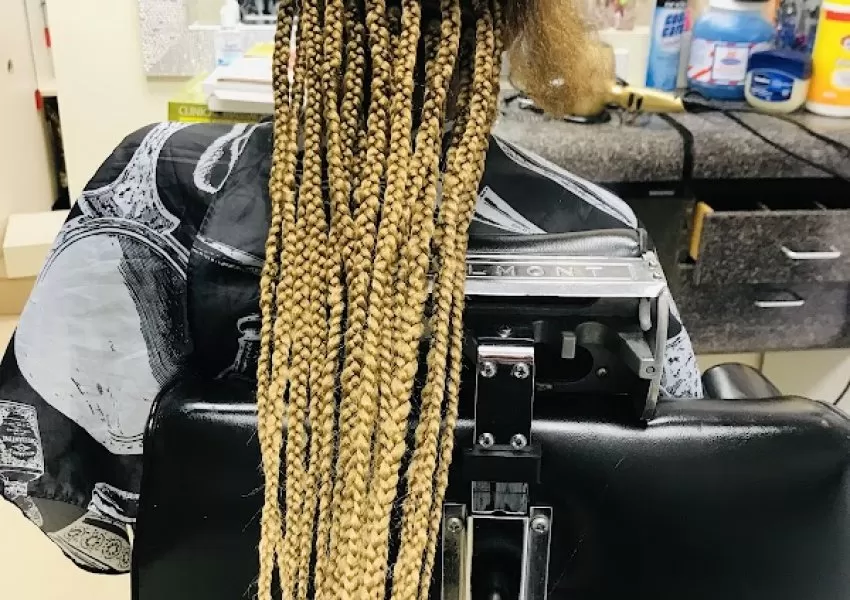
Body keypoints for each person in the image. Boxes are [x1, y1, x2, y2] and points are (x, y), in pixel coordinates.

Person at [0, 0, 700, 595]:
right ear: (520, 19)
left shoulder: (162, 185)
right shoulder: (602, 233)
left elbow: (74, 510)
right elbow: (664, 493)